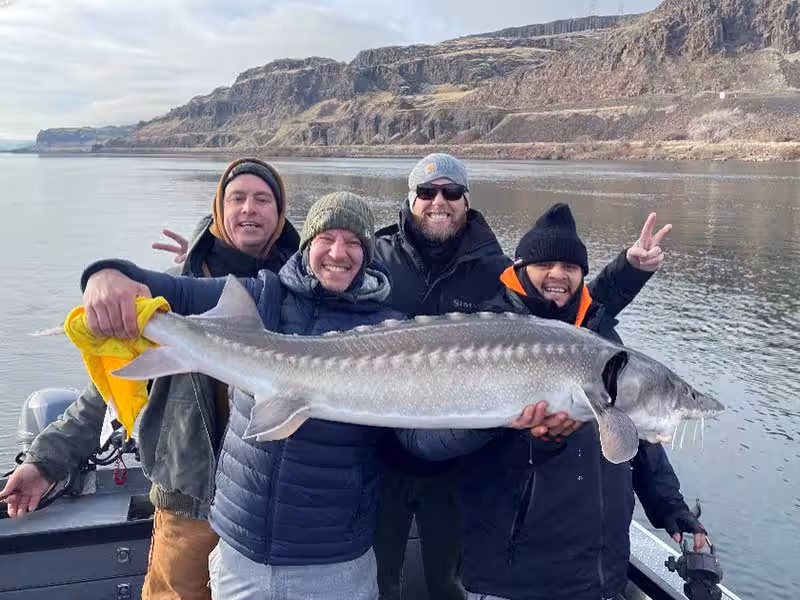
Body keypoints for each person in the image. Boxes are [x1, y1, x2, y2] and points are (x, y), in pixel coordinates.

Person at [79, 192, 408, 600]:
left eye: (354, 242)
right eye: (326, 238)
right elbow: (172, 289)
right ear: (307, 247)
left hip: (334, 560)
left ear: (367, 255)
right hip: (241, 553)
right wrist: (105, 274)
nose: (338, 252)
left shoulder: (390, 329)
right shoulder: (264, 294)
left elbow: (421, 443)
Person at [0, 158, 299, 600]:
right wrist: (46, 462)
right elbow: (109, 391)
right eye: (237, 198)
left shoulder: (301, 294)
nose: (249, 209)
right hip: (188, 498)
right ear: (219, 208)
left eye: (263, 200)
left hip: (269, 502)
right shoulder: (170, 293)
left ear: (279, 215)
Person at [370, 154, 661, 599]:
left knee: (449, 578)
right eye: (426, 193)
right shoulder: (376, 255)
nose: (438, 202)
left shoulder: (493, 264)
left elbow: (564, 323)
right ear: (410, 200)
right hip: (380, 450)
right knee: (380, 575)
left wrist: (627, 273)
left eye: (451, 193)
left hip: (457, 453)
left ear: (466, 200)